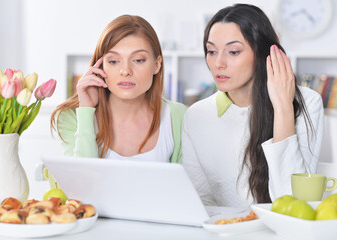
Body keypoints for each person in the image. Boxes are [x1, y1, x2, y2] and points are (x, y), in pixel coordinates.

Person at [182, 4, 324, 208]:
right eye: (211, 51)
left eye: (233, 51)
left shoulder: (307, 103)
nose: (218, 63)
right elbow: (200, 200)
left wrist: (283, 107)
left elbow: (294, 203)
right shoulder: (196, 115)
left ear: (261, 54)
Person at [46, 15, 186, 187]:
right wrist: (86, 111)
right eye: (113, 61)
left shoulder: (178, 117)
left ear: (157, 65)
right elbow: (81, 189)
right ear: (100, 66)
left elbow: (182, 191)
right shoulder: (70, 117)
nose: (125, 71)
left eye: (139, 60)